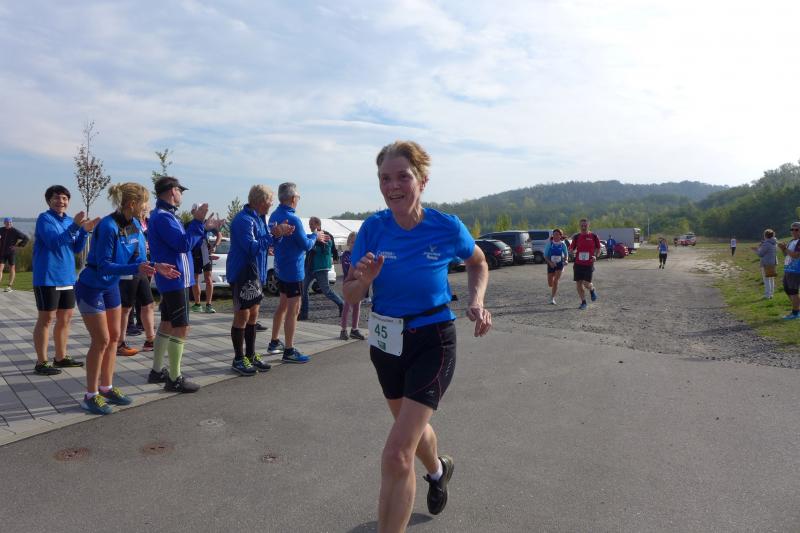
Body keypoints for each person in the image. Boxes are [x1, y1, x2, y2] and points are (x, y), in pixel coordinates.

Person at [343, 141, 492, 532]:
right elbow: (351, 295)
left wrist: (476, 301)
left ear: (422, 181)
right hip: (387, 341)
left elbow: (478, 262)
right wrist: (364, 281)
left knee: (397, 452)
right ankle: (439, 469)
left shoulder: (445, 227)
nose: (392, 186)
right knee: (409, 430)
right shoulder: (373, 229)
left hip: (433, 339)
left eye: (402, 177)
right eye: (384, 178)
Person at [75, 183, 180, 415]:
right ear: (132, 204)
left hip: (111, 286)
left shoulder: (135, 225)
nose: (147, 207)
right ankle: (90, 395)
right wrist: (137, 267)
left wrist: (156, 266)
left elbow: (139, 258)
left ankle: (106, 388)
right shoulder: (108, 226)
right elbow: (104, 265)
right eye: (145, 202)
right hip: (91, 287)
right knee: (101, 340)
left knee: (114, 338)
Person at [148, 176, 223, 392]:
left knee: (167, 323)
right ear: (173, 191)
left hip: (172, 278)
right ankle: (174, 378)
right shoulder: (164, 217)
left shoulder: (164, 215)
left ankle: (156, 371)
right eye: (180, 191)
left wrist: (204, 227)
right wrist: (198, 222)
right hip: (176, 279)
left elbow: (184, 241)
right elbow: (183, 244)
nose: (181, 195)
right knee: (181, 326)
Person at [31, 185, 98, 375]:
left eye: (64, 198)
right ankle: (41, 362)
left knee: (65, 318)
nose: (61, 201)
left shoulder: (69, 220)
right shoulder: (44, 219)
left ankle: (60, 357)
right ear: (49, 201)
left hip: (67, 277)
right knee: (46, 319)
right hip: (47, 277)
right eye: (56, 198)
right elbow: (54, 243)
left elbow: (76, 248)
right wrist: (76, 226)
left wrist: (84, 231)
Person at [226, 185, 293, 375]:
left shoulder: (260, 218)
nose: (272, 203)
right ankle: (238, 359)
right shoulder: (243, 220)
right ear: (261, 201)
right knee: (242, 315)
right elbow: (252, 248)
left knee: (253, 314)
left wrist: (279, 235)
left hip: (256, 273)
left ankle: (250, 355)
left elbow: (268, 243)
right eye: (270, 200)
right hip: (243, 273)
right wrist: (274, 234)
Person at [267, 182, 327, 364]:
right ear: (293, 198)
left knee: (283, 305)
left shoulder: (274, 215)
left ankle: (274, 341)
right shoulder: (293, 219)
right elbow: (306, 245)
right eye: (298, 197)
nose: (298, 200)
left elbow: (287, 239)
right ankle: (289, 350)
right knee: (294, 309)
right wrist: (315, 235)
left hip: (280, 268)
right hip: (293, 270)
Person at [117, 204, 157, 358]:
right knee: (126, 308)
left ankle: (150, 340)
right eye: (143, 206)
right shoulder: (129, 222)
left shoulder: (139, 223)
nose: (145, 209)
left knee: (148, 304)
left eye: (147, 206)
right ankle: (120, 343)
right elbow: (127, 245)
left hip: (142, 267)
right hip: (130, 268)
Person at [299, 216, 344, 320]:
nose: (310, 226)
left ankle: (341, 304)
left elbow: (326, 250)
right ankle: (304, 314)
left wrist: (312, 246)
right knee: (303, 289)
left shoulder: (326, 235)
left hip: (320, 267)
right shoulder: (312, 236)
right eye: (309, 224)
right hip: (310, 267)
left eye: (311, 224)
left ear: (317, 224)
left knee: (326, 290)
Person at [187, 203, 222, 314]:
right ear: (193, 212)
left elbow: (219, 234)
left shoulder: (207, 222)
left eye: (202, 210)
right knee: (195, 279)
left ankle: (209, 304)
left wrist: (215, 245)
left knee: (208, 278)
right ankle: (197, 304)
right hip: (194, 253)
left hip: (205, 253)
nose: (201, 213)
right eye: (198, 210)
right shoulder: (188, 224)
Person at [568, 218, 601, 309]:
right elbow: (571, 248)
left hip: (589, 263)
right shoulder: (577, 236)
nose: (583, 227)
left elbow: (598, 248)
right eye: (582, 225)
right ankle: (583, 302)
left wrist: (595, 256)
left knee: (586, 283)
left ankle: (592, 289)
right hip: (578, 263)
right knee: (578, 284)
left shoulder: (594, 236)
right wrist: (571, 251)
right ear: (579, 226)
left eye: (585, 225)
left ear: (588, 225)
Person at [338, 231, 365, 339]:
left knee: (357, 307)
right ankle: (343, 330)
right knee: (347, 307)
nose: (354, 244)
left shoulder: (360, 255)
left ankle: (354, 329)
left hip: (358, 284)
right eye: (352, 242)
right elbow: (347, 270)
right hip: (349, 285)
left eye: (356, 242)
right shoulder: (346, 255)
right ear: (348, 242)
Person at [0, 217, 31, 292]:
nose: (9, 223)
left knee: (12, 268)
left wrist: (18, 246)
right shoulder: (1, 230)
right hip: (2, 253)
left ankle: (9, 286)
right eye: (7, 222)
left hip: (11, 253)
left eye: (10, 222)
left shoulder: (15, 231)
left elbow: (26, 238)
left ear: (11, 223)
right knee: (0, 268)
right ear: (4, 223)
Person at [778, 222, 800, 319]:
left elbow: (796, 255)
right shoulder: (791, 241)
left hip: (796, 270)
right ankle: (797, 309)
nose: (793, 231)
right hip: (788, 269)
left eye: (796, 229)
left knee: (793, 292)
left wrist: (785, 249)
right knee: (787, 290)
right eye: (792, 229)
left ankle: (795, 313)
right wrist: (783, 249)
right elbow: (786, 255)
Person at [543, 228, 568, 305]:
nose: (555, 236)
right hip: (550, 263)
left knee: (555, 281)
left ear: (560, 236)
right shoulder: (549, 244)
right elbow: (545, 256)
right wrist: (550, 263)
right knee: (550, 284)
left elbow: (566, 254)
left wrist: (566, 260)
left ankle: (552, 298)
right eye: (554, 234)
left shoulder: (563, 244)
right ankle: (553, 284)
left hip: (560, 264)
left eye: (557, 235)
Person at [754, 229, 778, 299]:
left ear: (765, 236)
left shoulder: (766, 243)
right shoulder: (774, 242)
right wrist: (762, 245)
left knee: (766, 279)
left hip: (766, 263)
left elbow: (760, 254)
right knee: (771, 278)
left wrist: (756, 250)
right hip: (773, 262)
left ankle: (767, 295)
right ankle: (771, 294)